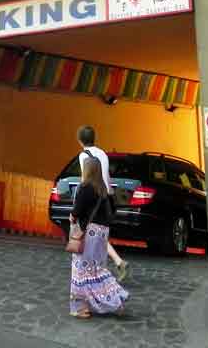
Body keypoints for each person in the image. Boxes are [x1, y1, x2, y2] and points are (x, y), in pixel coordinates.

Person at [69, 155, 129, 319]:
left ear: (86, 170)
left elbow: (76, 212)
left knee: (81, 271)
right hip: (102, 234)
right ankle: (116, 300)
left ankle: (81, 308)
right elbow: (111, 213)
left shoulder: (84, 187)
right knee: (98, 270)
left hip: (88, 234)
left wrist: (72, 217)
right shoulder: (104, 190)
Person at [77, 125, 130, 282]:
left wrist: (80, 200)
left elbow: (85, 178)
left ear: (79, 140)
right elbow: (107, 177)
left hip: (92, 196)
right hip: (105, 196)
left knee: (90, 232)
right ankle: (119, 262)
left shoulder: (83, 155)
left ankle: (93, 272)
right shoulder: (103, 154)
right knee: (98, 233)